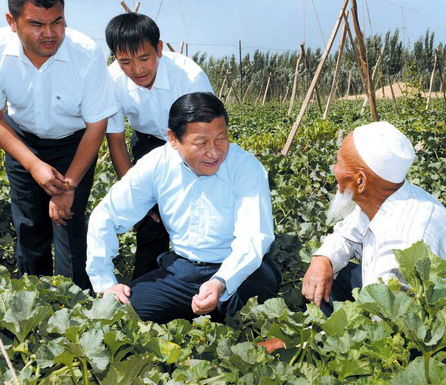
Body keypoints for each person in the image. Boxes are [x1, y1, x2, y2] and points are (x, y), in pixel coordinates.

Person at [86, 92, 281, 323]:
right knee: (118, 317)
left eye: (221, 138)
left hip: (242, 272)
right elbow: (106, 215)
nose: (214, 152)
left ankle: (219, 314)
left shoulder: (246, 166)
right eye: (201, 143)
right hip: (183, 273)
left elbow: (253, 237)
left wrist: (220, 282)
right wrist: (106, 282)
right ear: (173, 139)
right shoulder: (156, 164)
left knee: (254, 319)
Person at [302, 121, 446, 326]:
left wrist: (303, 342)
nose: (334, 170)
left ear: (360, 181)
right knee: (335, 276)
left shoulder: (405, 239)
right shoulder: (391, 195)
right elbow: (347, 233)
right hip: (406, 308)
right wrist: (322, 259)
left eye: (339, 164)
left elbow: (383, 325)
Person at [0, 0, 117, 289]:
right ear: (12, 22)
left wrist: (70, 185)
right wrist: (32, 164)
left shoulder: (86, 53)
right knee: (29, 227)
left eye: (58, 21)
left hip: (73, 145)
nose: (50, 33)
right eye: (37, 24)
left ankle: (72, 308)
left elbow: (96, 126)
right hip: (22, 140)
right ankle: (32, 302)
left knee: (69, 229)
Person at [104, 13, 214, 279]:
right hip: (148, 143)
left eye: (144, 58)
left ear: (160, 49)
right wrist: (137, 196)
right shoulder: (111, 80)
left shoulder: (189, 77)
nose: (137, 69)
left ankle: (204, 277)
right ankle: (148, 283)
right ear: (115, 59)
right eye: (126, 62)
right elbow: (116, 141)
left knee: (196, 211)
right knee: (150, 220)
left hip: (192, 141)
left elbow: (205, 133)